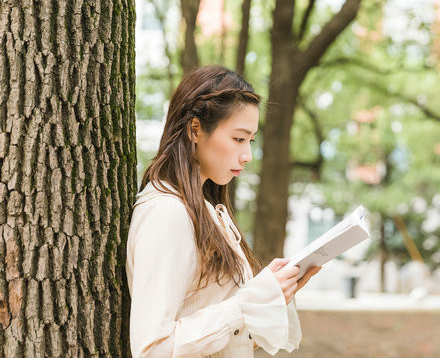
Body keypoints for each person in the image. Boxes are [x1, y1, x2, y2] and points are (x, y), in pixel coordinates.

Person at [126, 65, 320, 357]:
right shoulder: (167, 213)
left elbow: (226, 338)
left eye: (250, 140)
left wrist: (271, 295)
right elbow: (152, 349)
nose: (248, 155)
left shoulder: (207, 210)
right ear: (195, 129)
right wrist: (247, 304)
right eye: (239, 139)